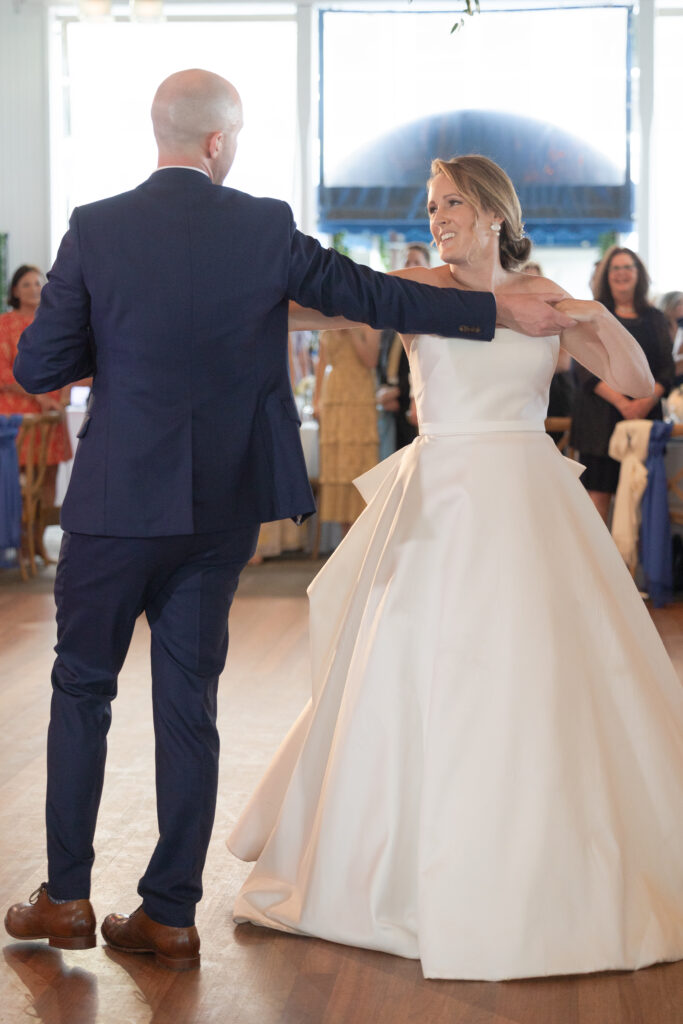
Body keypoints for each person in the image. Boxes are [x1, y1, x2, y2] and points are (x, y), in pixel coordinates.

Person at [3, 73, 572, 971]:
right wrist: (493, 306)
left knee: (82, 689)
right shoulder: (263, 225)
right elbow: (369, 296)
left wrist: (109, 342)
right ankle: (169, 912)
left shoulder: (95, 226)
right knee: (188, 705)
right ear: (221, 144)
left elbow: (40, 363)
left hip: (116, 504)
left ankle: (66, 898)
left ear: (162, 135)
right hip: (220, 508)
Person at [228, 155, 683, 981]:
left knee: (538, 675)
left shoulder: (542, 294)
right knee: (408, 669)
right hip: (437, 500)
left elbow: (634, 382)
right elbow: (297, 314)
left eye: (451, 204)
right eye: (431, 204)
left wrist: (584, 314)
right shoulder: (413, 287)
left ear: (494, 213)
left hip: (525, 499)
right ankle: (391, 867)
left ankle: (546, 859)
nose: (436, 216)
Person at [570, 247, 674, 523]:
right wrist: (623, 402)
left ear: (639, 274)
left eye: (628, 267)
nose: (622, 273)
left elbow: (666, 368)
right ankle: (598, 566)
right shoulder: (592, 313)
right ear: (606, 275)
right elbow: (582, 368)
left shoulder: (655, 318)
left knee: (641, 500)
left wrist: (643, 402)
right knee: (597, 500)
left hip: (644, 417)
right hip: (599, 420)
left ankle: (635, 567)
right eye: (615, 268)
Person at [0, 266, 71, 532]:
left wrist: (63, 397)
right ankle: (17, 543)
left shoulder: (53, 324)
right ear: (15, 290)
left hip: (51, 413)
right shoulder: (4, 324)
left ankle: (38, 540)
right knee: (14, 477)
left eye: (38, 282)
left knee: (49, 475)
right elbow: (4, 372)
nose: (33, 288)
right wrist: (40, 397)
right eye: (26, 284)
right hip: (16, 417)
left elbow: (69, 364)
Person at [315, 325, 380, 533]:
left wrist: (351, 329)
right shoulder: (325, 319)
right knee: (338, 467)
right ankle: (345, 534)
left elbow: (371, 361)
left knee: (360, 464)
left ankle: (363, 536)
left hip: (359, 398)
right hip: (334, 397)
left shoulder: (368, 322)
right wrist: (316, 400)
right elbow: (322, 363)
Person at [376, 245, 431, 458]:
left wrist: (401, 392)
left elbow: (426, 362)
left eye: (416, 262)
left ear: (428, 267)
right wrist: (383, 389)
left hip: (415, 405)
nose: (411, 267)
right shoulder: (393, 311)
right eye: (407, 262)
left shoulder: (431, 310)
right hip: (391, 408)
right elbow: (385, 358)